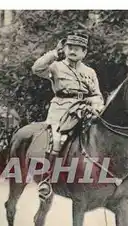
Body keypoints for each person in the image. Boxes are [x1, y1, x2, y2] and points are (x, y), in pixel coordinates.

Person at [31, 31, 104, 198]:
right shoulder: (56, 66)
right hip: (61, 109)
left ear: (84, 52)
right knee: (57, 139)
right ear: (64, 48)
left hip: (85, 109)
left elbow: (96, 94)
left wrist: (97, 106)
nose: (73, 51)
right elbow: (36, 69)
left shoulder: (90, 72)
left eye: (78, 49)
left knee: (101, 137)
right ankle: (47, 179)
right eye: (70, 47)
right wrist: (54, 54)